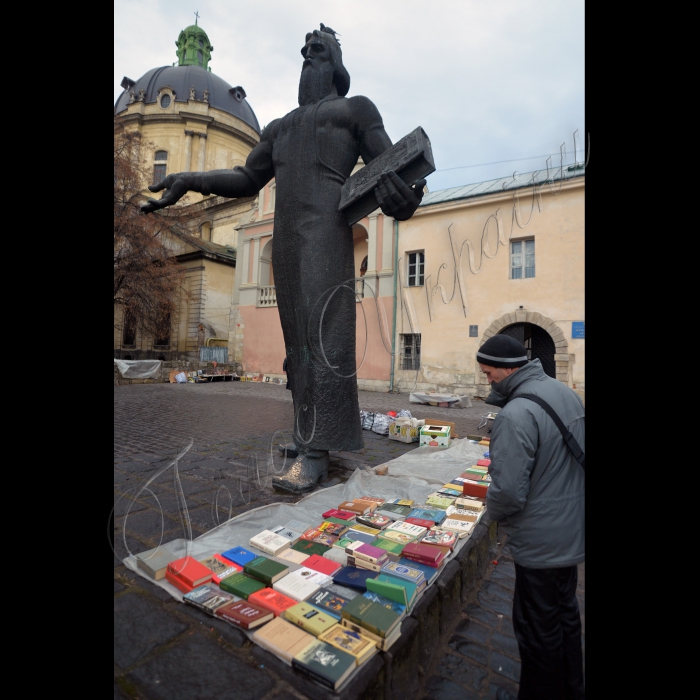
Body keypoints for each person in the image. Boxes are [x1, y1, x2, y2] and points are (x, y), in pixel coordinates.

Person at [142, 26, 425, 493]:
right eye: (305, 52)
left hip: (327, 232)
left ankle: (315, 450)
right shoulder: (279, 127)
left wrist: (407, 198)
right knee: (299, 345)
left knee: (325, 338)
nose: (308, 58)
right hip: (287, 237)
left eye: (319, 51)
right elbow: (246, 178)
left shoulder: (355, 110)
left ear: (336, 65)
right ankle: (307, 432)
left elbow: (394, 167)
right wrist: (189, 179)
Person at [476, 334, 585, 700]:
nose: (487, 379)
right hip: (570, 526)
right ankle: (572, 688)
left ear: (507, 369)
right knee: (566, 615)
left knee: (537, 628)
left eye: (488, 372)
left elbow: (507, 491)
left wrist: (489, 515)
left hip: (540, 539)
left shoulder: (515, 413)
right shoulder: (565, 393)